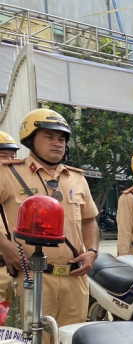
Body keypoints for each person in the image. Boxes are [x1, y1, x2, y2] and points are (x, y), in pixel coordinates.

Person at [0, 108, 99, 332]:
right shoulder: (8, 173)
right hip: (33, 278)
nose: (58, 143)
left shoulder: (77, 178)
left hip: (75, 278)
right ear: (31, 140)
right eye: (49, 137)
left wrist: (92, 251)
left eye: (62, 138)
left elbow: (89, 220)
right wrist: (4, 246)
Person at [0, 132, 19, 302]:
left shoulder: (16, 191)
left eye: (12, 156)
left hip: (15, 271)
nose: (8, 161)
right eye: (2, 156)